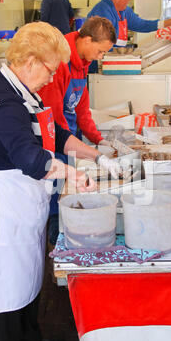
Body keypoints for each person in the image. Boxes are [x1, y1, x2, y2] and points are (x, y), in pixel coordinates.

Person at [0, 22, 124, 341]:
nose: (52, 77)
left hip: (23, 201)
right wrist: (72, 175)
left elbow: (53, 131)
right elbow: (29, 157)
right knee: (7, 282)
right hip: (1, 206)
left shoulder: (23, 89)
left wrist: (92, 154)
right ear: (31, 61)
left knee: (29, 272)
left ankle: (31, 335)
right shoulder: (6, 101)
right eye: (51, 69)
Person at [39, 16, 117, 245]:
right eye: (101, 51)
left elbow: (82, 109)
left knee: (69, 186)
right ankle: (56, 236)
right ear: (87, 40)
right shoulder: (61, 61)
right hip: (55, 137)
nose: (101, 57)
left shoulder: (83, 63)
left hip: (69, 136)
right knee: (56, 191)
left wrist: (97, 139)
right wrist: (71, 146)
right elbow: (53, 115)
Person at [87, 0, 171, 48]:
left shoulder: (124, 10)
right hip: (98, 59)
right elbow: (101, 42)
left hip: (114, 56)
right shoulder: (103, 11)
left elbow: (140, 25)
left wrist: (166, 23)